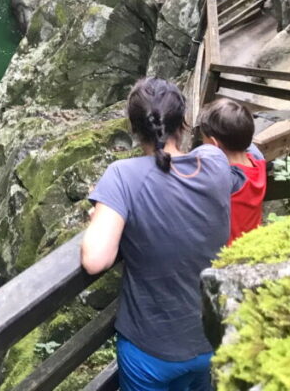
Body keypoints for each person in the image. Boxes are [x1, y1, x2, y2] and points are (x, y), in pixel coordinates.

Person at [81, 78, 232, 391]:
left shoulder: (122, 176)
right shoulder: (216, 162)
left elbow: (95, 260)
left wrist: (105, 212)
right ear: (185, 123)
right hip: (210, 336)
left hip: (151, 350)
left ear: (135, 131)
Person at [196, 98, 266, 245]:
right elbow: (250, 145)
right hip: (254, 242)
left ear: (214, 144)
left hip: (229, 253)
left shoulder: (228, 179)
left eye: (203, 139)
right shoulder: (258, 161)